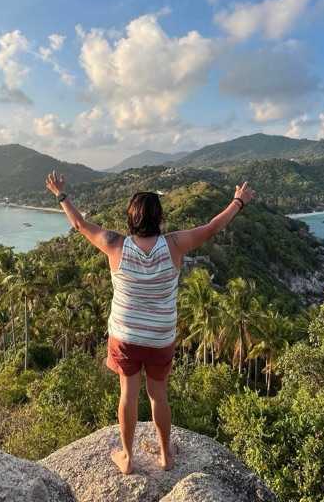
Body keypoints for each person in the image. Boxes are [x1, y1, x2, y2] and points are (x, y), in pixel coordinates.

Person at [45, 171, 255, 475]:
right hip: (160, 338)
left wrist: (61, 194)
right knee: (158, 396)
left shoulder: (115, 244)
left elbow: (79, 224)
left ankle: (128, 457)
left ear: (130, 218)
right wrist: (238, 201)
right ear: (160, 218)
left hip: (125, 337)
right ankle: (166, 455)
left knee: (127, 394)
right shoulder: (174, 245)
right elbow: (212, 227)